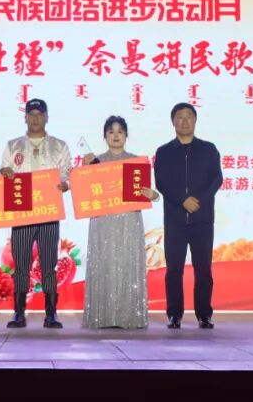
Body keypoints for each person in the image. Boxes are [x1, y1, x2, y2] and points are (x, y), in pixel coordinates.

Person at [0, 98, 73, 329]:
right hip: (21, 213)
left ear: (47, 117)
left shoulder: (59, 146)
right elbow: (2, 173)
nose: (35, 118)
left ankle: (51, 313)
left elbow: (68, 174)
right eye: (31, 114)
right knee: (21, 265)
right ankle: (19, 313)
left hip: (49, 211)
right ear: (25, 118)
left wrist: (66, 184)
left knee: (49, 264)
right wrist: (5, 172)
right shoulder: (13, 146)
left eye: (40, 114)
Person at [81, 116, 159, 329]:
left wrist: (153, 195)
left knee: (127, 262)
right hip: (102, 222)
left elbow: (149, 193)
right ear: (104, 136)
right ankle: (102, 317)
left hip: (129, 221)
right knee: (104, 263)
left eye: (120, 131)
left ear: (126, 135)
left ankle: (129, 316)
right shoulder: (95, 162)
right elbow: (84, 193)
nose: (116, 135)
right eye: (111, 131)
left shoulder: (136, 162)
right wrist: (84, 170)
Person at [153, 102, 223, 329]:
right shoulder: (163, 152)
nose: (184, 121)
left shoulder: (209, 149)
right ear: (173, 122)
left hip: (202, 220)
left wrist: (198, 201)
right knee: (174, 270)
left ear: (195, 120)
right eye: (180, 117)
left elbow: (216, 179)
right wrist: (182, 200)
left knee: (203, 269)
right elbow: (161, 182)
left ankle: (204, 314)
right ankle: (174, 314)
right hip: (175, 220)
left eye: (189, 116)